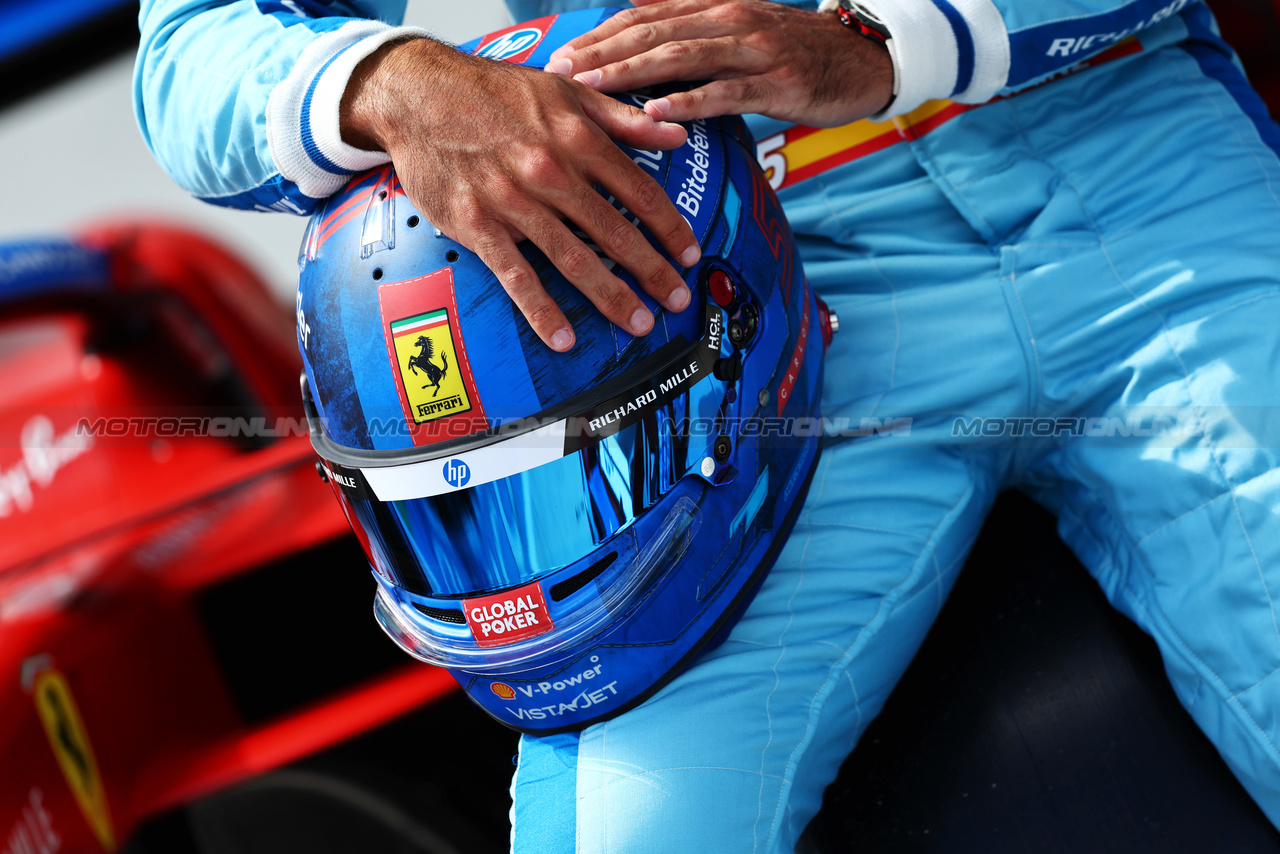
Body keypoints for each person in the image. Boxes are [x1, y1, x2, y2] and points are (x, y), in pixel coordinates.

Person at [135, 0, 1280, 852]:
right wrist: (391, 79)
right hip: (756, 285)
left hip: (1139, 175)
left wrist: (889, 35)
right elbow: (191, 51)